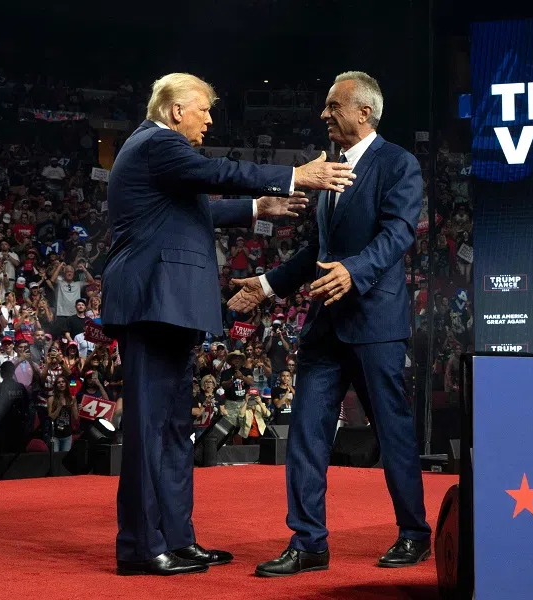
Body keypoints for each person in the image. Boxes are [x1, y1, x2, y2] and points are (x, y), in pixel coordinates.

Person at [101, 72, 355, 576]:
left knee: (175, 430)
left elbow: (195, 211)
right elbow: (217, 172)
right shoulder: (156, 145)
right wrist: (293, 176)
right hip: (152, 302)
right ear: (176, 111)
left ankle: (176, 538)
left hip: (171, 305)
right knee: (150, 431)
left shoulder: (163, 159)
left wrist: (259, 207)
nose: (210, 119)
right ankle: (138, 546)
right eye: (204, 110)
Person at [230, 71, 431, 576]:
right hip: (324, 325)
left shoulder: (398, 164)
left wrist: (355, 271)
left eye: (332, 105)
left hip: (375, 323)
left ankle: (414, 534)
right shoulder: (331, 169)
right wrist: (268, 284)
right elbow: (316, 252)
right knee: (306, 433)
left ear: (363, 112)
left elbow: (398, 233)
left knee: (393, 432)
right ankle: (309, 542)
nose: (323, 114)